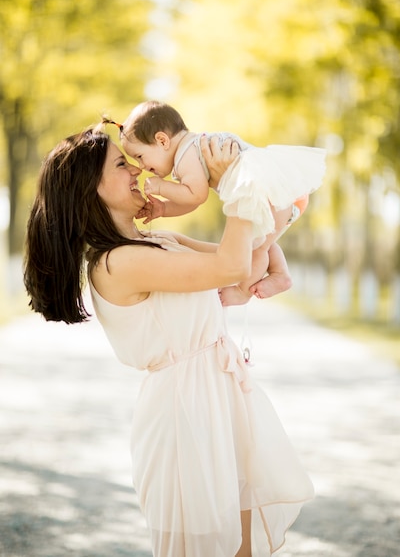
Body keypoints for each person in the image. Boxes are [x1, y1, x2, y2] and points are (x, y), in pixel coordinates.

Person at [23, 126, 314, 557]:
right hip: (184, 417)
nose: (138, 168)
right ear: (92, 190)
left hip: (220, 400)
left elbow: (247, 257)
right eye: (122, 164)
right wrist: (234, 184)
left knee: (242, 549)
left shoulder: (160, 240)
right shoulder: (117, 263)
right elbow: (231, 267)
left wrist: (278, 208)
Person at [107, 100, 325, 306]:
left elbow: (196, 195)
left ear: (162, 140)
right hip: (282, 192)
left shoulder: (186, 156)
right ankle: (280, 274)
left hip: (271, 192)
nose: (141, 166)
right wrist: (164, 208)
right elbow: (191, 200)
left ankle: (243, 291)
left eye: (140, 156)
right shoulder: (191, 149)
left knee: (256, 248)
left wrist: (162, 188)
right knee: (260, 240)